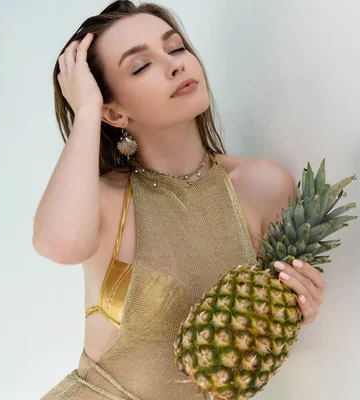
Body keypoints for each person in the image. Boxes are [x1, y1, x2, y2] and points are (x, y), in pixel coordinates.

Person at [34, 1, 326, 399]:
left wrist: (297, 309)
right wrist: (85, 110)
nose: (176, 65)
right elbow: (61, 245)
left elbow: (256, 332)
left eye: (175, 49)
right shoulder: (106, 197)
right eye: (140, 66)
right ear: (114, 113)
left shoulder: (264, 187)